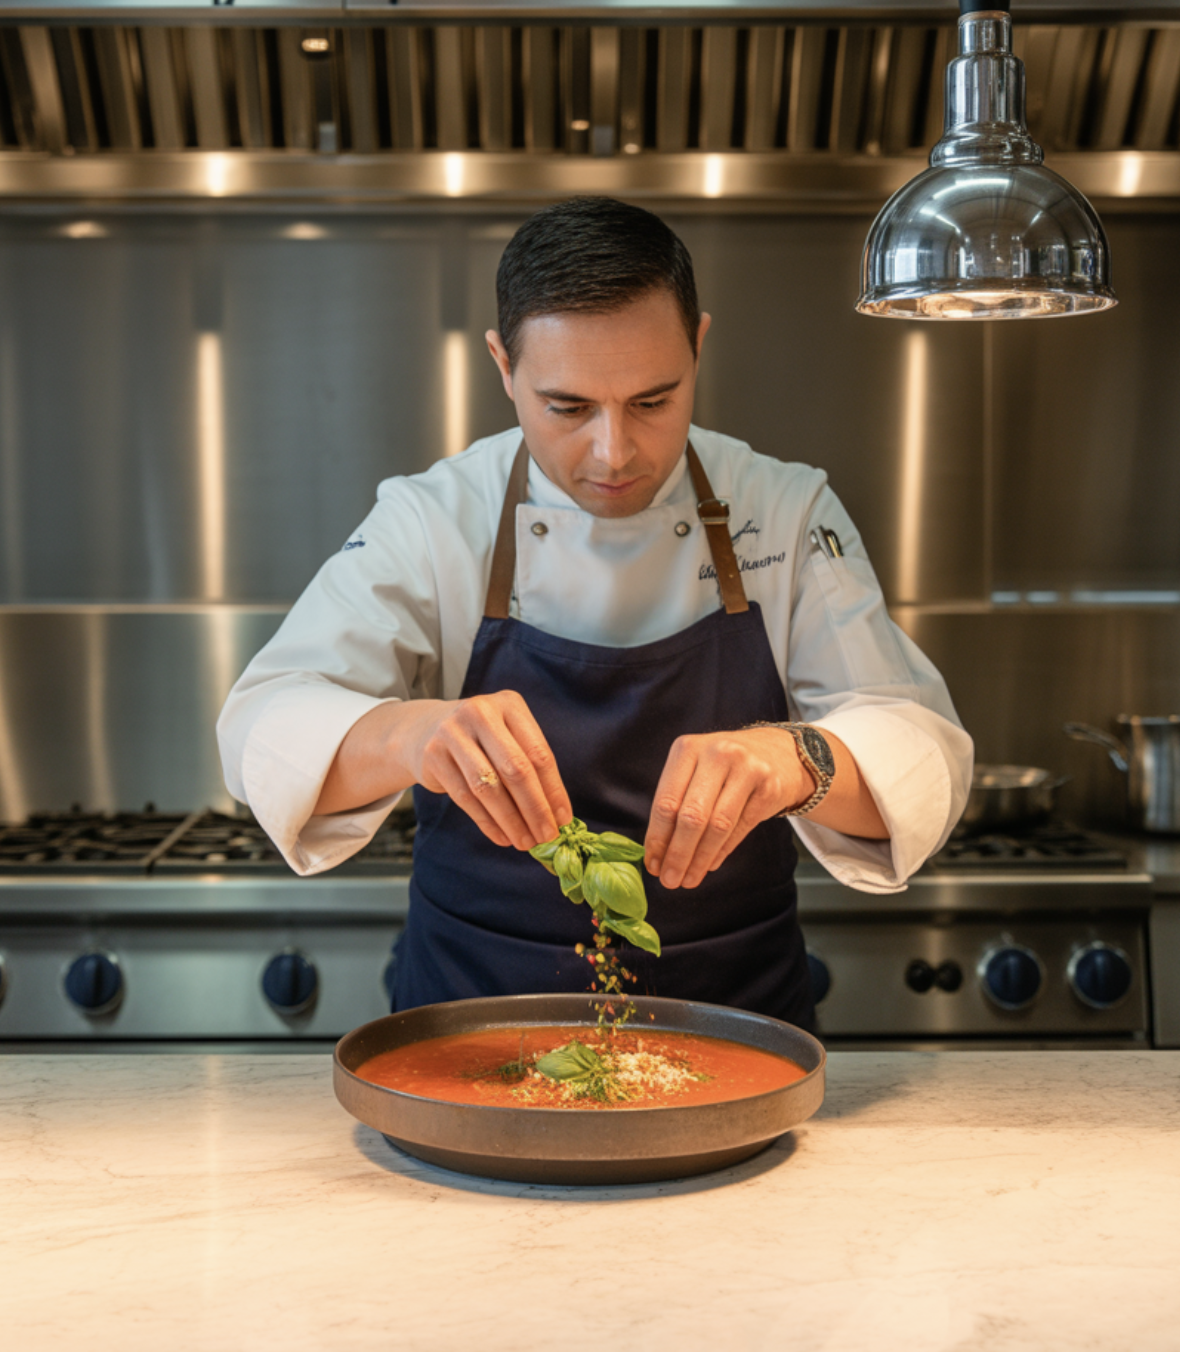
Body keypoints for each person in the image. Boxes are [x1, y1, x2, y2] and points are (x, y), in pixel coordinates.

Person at [217, 197, 973, 1031]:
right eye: (567, 408)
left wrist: (801, 760)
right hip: (474, 1018)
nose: (615, 453)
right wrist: (409, 736)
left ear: (699, 348)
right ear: (503, 367)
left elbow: (922, 752)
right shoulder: (432, 519)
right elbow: (261, 727)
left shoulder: (785, 510)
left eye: (654, 400)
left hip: (736, 1022)